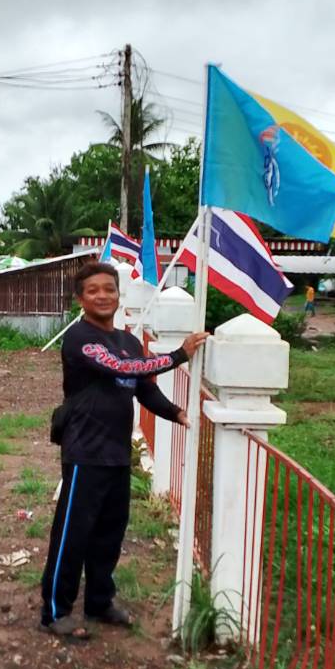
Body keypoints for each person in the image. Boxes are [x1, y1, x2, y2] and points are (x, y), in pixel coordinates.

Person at [40, 261, 208, 640]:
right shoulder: (79, 338)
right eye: (93, 290)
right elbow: (120, 367)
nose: (103, 296)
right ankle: (54, 611)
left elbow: (143, 386)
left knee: (109, 532)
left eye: (109, 289)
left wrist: (177, 413)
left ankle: (100, 601)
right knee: (72, 534)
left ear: (119, 294)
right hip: (85, 451)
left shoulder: (129, 342)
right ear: (80, 299)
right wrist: (179, 355)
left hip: (117, 450)